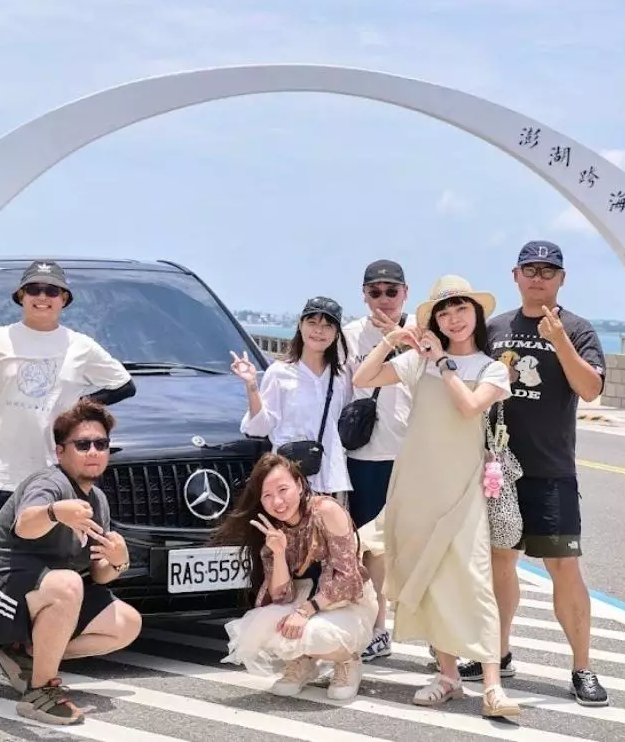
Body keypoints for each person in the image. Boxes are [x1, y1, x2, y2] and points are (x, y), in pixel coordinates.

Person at [0, 260, 136, 694]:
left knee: (52, 572)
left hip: (53, 479)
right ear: (20, 296)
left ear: (65, 299)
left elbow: (124, 384)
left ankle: (31, 650)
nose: (43, 297)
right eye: (34, 289)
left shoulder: (79, 345)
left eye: (52, 290)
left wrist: (78, 408)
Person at [354, 276, 522, 718]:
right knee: (428, 579)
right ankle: (447, 677)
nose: (453, 319)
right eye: (444, 313)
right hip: (416, 485)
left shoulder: (491, 368)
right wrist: (391, 340)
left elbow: (470, 407)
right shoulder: (417, 362)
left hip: (463, 490)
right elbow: (362, 377)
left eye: (461, 309)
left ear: (476, 314)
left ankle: (491, 685)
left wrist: (444, 363)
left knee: (474, 581)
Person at [466, 241, 609, 706]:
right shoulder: (495, 328)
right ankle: (498, 653)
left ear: (562, 279)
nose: (538, 278)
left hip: (551, 470)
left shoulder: (578, 329)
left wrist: (559, 340)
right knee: (500, 563)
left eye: (549, 271)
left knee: (563, 566)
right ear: (515, 275)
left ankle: (582, 667)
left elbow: (590, 389)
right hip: (498, 471)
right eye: (530, 270)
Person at [0, 400, 142, 726]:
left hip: (42, 595)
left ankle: (26, 657)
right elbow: (26, 524)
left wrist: (118, 562)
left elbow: (98, 574)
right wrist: (55, 512)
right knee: (67, 583)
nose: (94, 451)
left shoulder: (97, 500)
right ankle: (40, 692)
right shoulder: (49, 483)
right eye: (83, 444)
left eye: (101, 444)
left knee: (127, 623)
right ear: (60, 451)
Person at [213, 453, 376, 701]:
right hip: (302, 598)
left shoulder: (326, 511)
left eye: (283, 489)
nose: (277, 502)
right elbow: (280, 596)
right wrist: (278, 553)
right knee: (259, 626)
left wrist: (305, 611)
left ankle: (347, 661)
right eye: (267, 495)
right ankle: (302, 662)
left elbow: (348, 580)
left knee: (317, 633)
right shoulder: (272, 528)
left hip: (346, 602)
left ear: (299, 485)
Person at [341, 259, 415, 661]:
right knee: (370, 548)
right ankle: (377, 627)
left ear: (406, 292)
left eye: (392, 291)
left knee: (418, 546)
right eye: (375, 291)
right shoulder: (351, 335)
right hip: (365, 455)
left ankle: (437, 637)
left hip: (413, 456)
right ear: (364, 294)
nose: (384, 299)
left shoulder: (422, 332)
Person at [231, 297, 353, 498]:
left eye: (327, 326)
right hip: (290, 477)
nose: (319, 331)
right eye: (312, 322)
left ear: (336, 333)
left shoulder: (340, 375)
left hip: (330, 480)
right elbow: (260, 427)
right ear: (300, 324)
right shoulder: (279, 372)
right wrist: (251, 385)